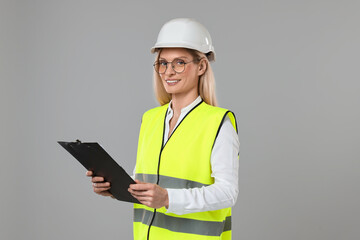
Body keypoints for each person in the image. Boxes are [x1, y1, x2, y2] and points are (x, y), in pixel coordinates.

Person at [86, 18, 240, 240]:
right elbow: (149, 182)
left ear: (201, 66)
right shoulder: (150, 119)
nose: (168, 71)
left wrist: (168, 199)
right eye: (163, 63)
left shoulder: (218, 123)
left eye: (179, 62)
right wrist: (115, 187)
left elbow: (227, 193)